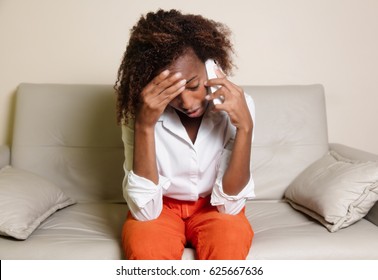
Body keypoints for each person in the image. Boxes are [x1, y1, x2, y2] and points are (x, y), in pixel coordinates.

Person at [115, 9, 256, 260]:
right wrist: (145, 126)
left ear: (210, 67)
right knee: (146, 247)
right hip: (161, 207)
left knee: (230, 240)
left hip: (214, 206)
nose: (188, 102)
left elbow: (231, 208)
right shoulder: (137, 114)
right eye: (171, 92)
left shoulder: (239, 106)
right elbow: (145, 212)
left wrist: (245, 128)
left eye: (192, 85)